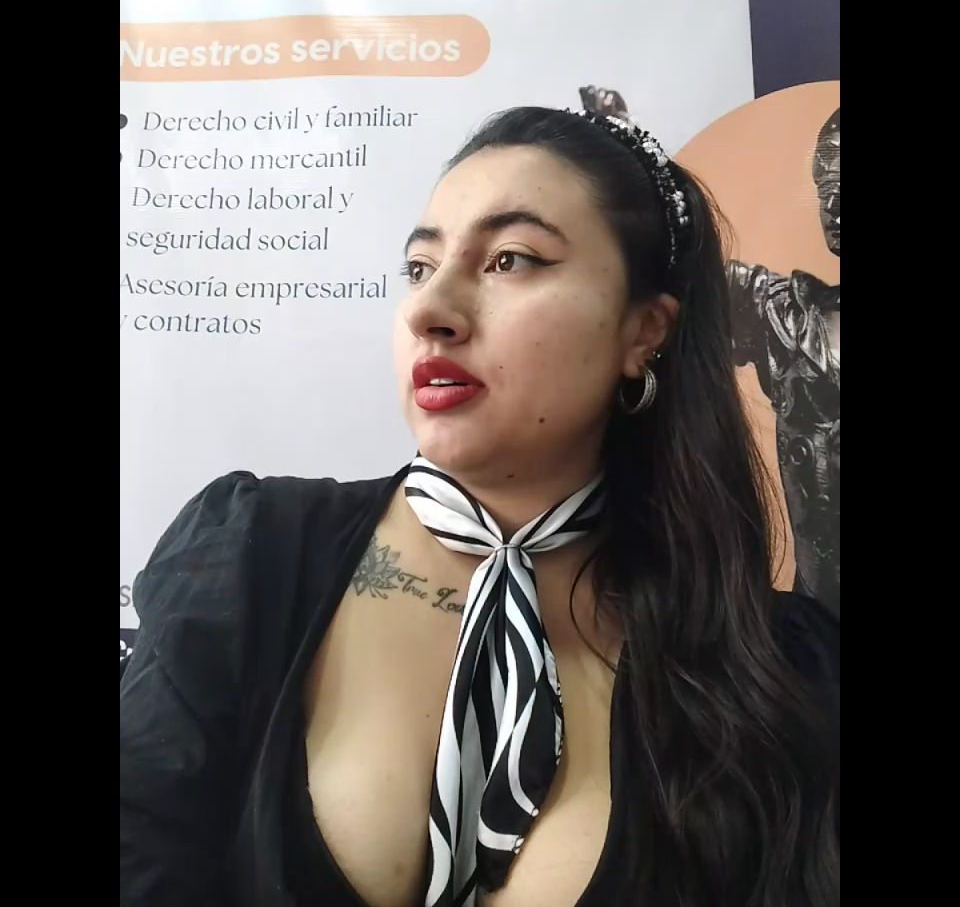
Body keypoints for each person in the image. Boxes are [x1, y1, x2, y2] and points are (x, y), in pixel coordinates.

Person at [120, 106, 840, 907]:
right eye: (420, 266)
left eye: (510, 260)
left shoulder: (774, 667)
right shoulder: (251, 554)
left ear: (644, 331)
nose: (429, 311)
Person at [727, 107, 841, 616]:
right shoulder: (787, 316)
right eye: (825, 188)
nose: (832, 206)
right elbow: (680, 269)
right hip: (815, 633)